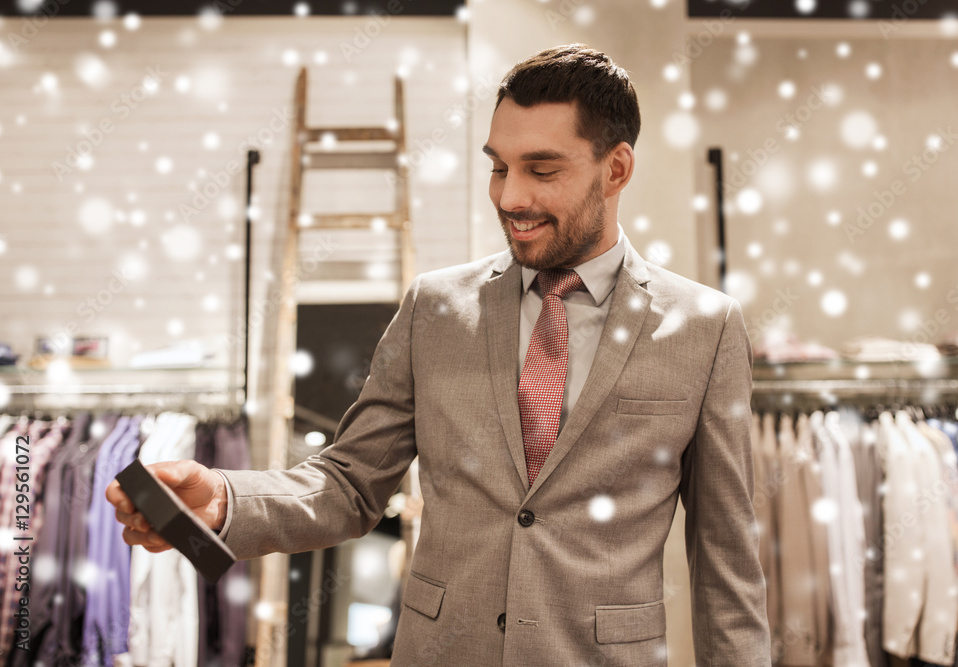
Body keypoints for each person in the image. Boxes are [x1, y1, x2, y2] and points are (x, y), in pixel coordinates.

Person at [108, 44, 770, 665]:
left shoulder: (705, 329)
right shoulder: (435, 307)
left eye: (542, 170)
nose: (510, 197)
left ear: (616, 168)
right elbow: (348, 482)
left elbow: (726, 559)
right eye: (498, 167)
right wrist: (224, 498)